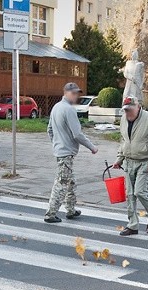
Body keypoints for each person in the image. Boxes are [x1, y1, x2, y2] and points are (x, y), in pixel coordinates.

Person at [44, 82, 98, 223]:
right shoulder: (69, 110)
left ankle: (71, 209)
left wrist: (56, 144)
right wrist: (92, 147)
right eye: (73, 93)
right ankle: (50, 213)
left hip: (61, 150)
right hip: (66, 152)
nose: (75, 96)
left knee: (70, 182)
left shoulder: (56, 107)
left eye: (77, 93)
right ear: (66, 93)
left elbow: (49, 130)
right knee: (62, 182)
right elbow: (77, 134)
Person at [112, 96, 148, 236]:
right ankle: (132, 225)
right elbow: (123, 141)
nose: (128, 113)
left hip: (145, 161)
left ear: (138, 107)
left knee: (140, 192)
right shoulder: (124, 119)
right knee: (130, 195)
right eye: (125, 110)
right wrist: (119, 159)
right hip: (129, 161)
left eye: (130, 110)